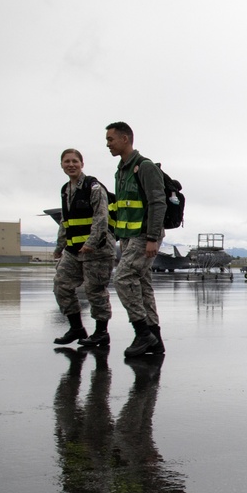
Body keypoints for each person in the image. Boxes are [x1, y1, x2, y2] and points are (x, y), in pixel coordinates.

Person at [107, 122, 166, 358]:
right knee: (142, 286)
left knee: (122, 278)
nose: (108, 144)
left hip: (144, 236)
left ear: (125, 139)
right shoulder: (121, 170)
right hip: (128, 237)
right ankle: (155, 339)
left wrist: (152, 237)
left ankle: (142, 333)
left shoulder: (145, 167)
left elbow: (157, 202)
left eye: (111, 139)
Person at [52, 149, 116, 346]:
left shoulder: (94, 187)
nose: (71, 165)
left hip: (97, 250)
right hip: (73, 249)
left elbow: (101, 217)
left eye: (74, 161)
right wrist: (59, 246)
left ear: (82, 164)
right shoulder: (65, 189)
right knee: (61, 285)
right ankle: (76, 328)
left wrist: (91, 243)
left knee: (95, 290)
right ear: (61, 165)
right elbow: (66, 221)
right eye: (66, 162)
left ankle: (101, 333)